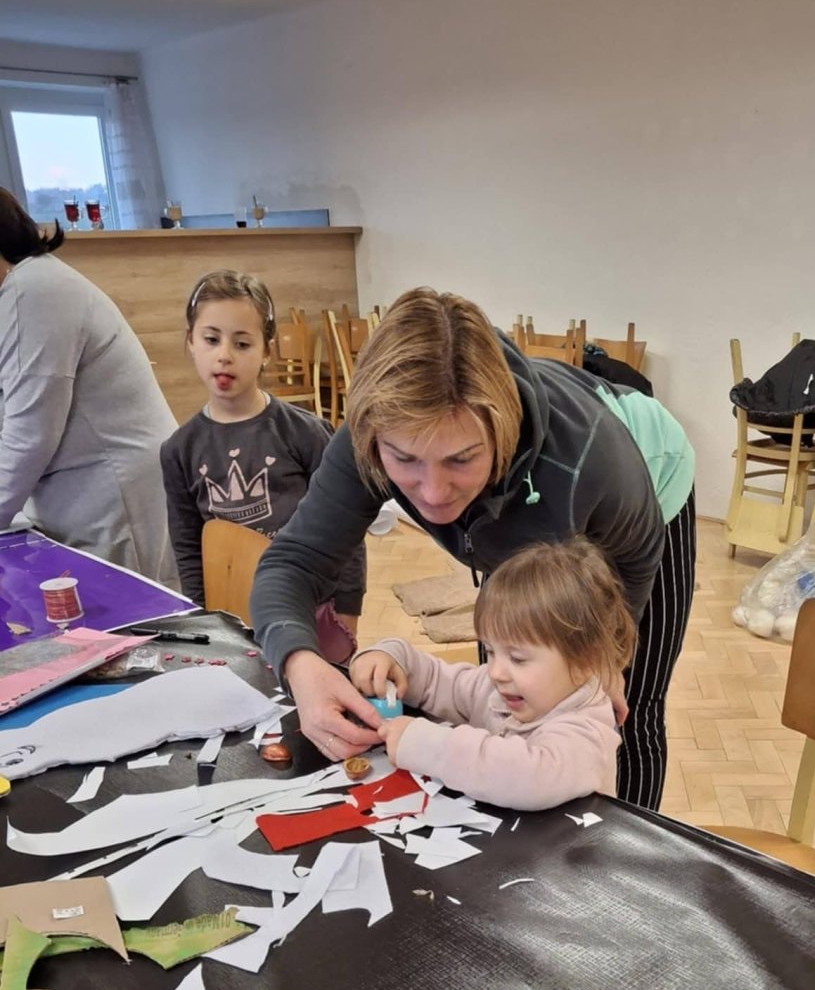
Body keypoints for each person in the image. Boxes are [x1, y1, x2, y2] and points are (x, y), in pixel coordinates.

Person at [251, 287, 696, 811]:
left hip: (642, 487)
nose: (434, 494)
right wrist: (301, 665)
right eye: (405, 460)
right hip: (534, 505)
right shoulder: (377, 429)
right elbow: (293, 562)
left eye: (461, 460)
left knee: (620, 705)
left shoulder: (589, 462)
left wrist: (609, 661)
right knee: (508, 689)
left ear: (500, 435)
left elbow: (637, 556)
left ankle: (627, 849)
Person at [160, 270, 364, 648]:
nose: (224, 355)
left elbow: (346, 525)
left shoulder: (306, 433)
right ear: (190, 341)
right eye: (211, 339)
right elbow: (188, 547)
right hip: (232, 616)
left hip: (310, 608)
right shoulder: (178, 450)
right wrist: (203, 616)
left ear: (267, 350)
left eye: (242, 344)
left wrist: (348, 607)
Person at [353, 538, 633, 809]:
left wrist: (429, 746)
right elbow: (437, 681)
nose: (496, 671)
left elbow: (528, 776)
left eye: (518, 658)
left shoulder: (587, 732)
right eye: (490, 650)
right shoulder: (496, 688)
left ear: (584, 661)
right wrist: (394, 658)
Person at [0, 187, 177, 582]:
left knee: (135, 613)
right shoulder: (19, 290)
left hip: (113, 494)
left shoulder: (34, 290)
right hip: (78, 493)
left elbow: (29, 435)